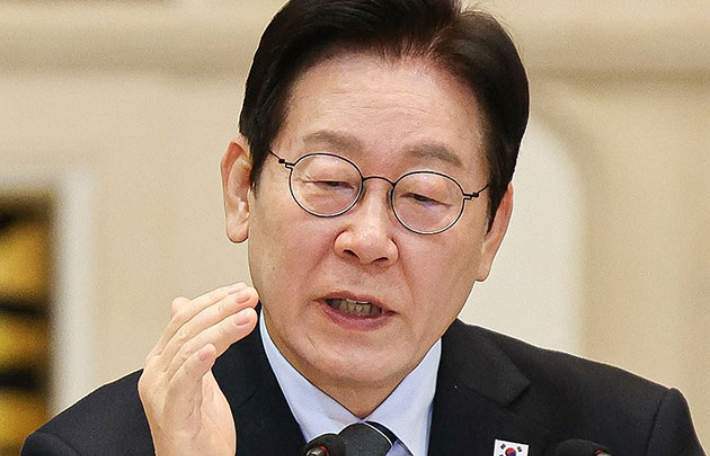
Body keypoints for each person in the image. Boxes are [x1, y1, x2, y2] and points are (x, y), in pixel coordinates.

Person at [22, 0, 706, 455]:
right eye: (330, 182)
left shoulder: (625, 435)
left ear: (491, 232)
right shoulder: (96, 449)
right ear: (241, 190)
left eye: (425, 195)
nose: (369, 239)